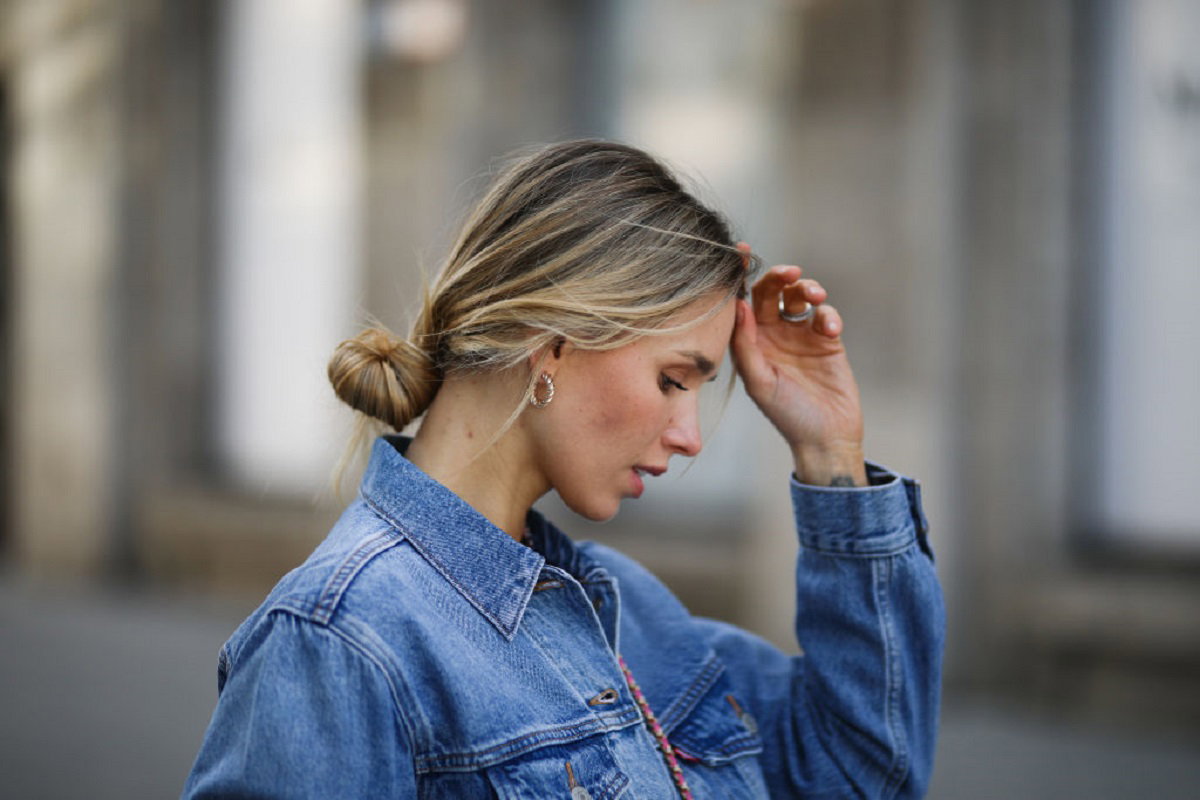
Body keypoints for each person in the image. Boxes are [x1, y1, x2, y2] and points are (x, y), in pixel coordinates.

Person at [183, 140, 944, 799]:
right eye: (675, 381)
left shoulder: (623, 608)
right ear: (551, 345)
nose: (690, 438)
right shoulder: (339, 639)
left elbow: (860, 771)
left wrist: (830, 453)